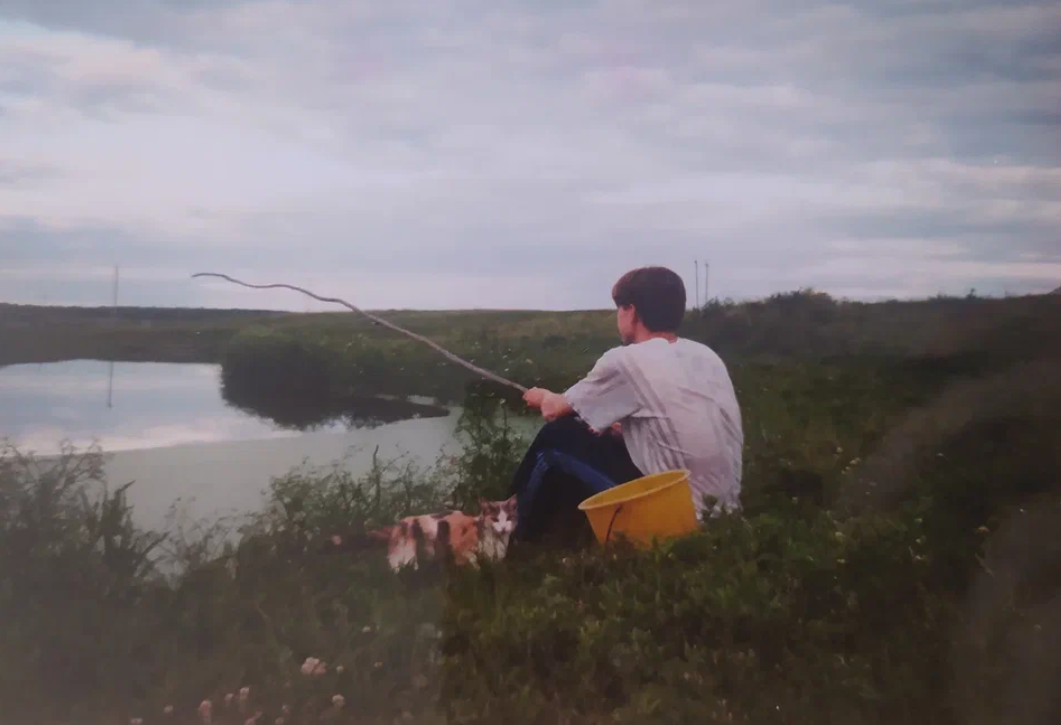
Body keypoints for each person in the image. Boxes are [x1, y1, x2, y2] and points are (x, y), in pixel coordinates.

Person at [509, 266, 744, 543]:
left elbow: (554, 409)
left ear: (631, 311)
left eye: (619, 308)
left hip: (678, 515)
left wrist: (540, 396)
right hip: (724, 513)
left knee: (556, 439)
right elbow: (673, 424)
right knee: (597, 432)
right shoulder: (705, 355)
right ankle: (562, 534)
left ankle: (506, 536)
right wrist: (614, 430)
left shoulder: (626, 360)